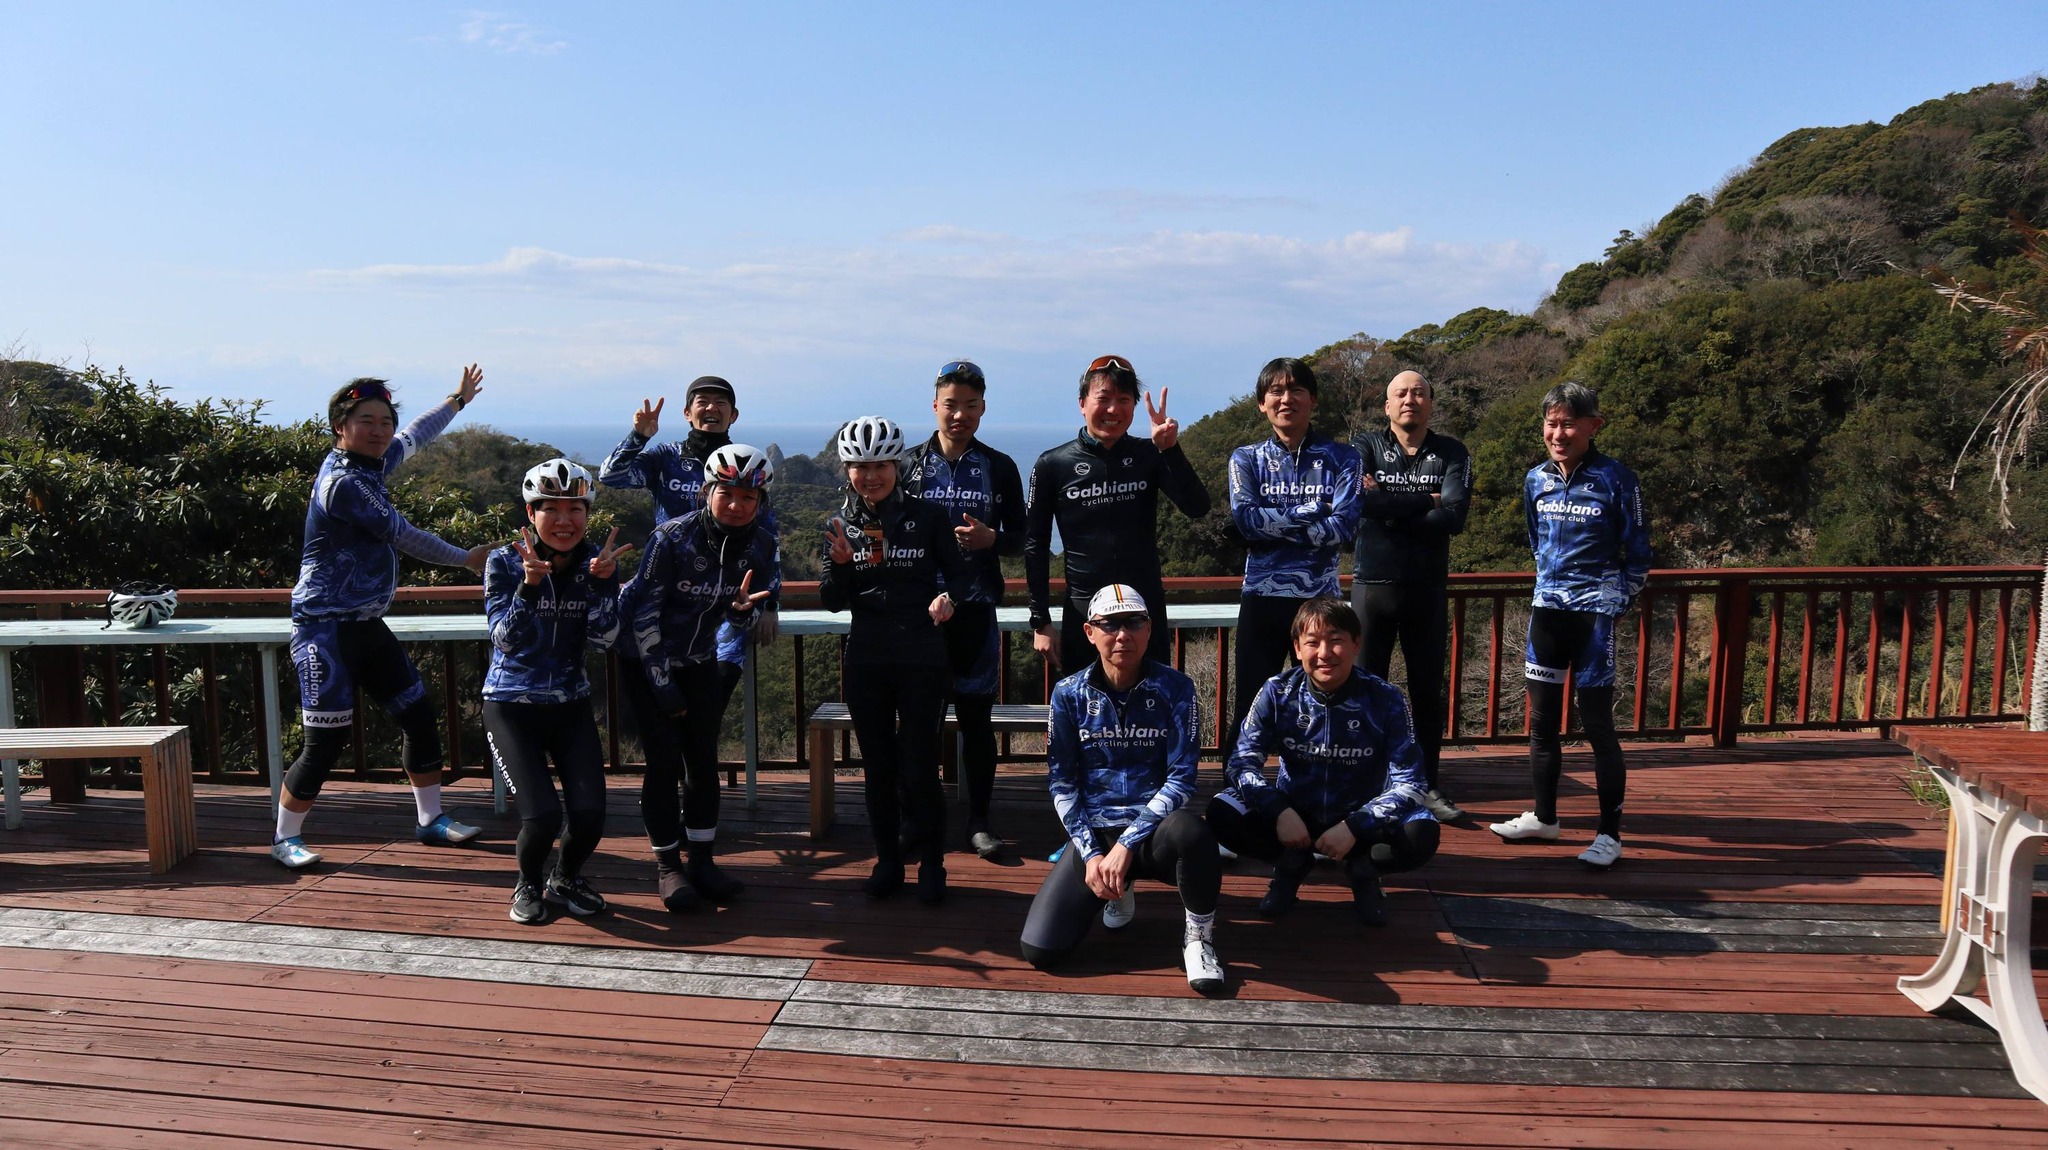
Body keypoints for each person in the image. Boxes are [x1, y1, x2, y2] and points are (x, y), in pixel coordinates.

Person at [272, 368, 494, 869]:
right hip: (324, 629)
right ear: (340, 426)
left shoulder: (371, 462)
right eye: (365, 421)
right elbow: (403, 534)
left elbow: (416, 434)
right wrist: (466, 558)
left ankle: (430, 819)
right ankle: (284, 838)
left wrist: (457, 401)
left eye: (384, 422)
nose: (379, 431)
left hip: (365, 624)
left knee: (418, 715)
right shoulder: (345, 483)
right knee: (325, 741)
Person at [1019, 585, 1225, 995]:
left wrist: (1127, 844)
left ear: (1149, 629)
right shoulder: (1068, 694)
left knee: (1194, 834)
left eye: (1134, 622)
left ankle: (1199, 939)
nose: (1122, 634)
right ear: (1089, 632)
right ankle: (1119, 887)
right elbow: (1062, 782)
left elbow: (1182, 778)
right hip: (1097, 836)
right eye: (1109, 625)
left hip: (1155, 834)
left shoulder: (1177, 688)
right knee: (1039, 950)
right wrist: (1091, 852)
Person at [1488, 381, 1652, 869]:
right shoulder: (1535, 479)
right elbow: (1535, 541)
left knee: (1598, 725)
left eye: (1569, 424)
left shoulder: (1617, 479)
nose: (1558, 434)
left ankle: (1609, 835)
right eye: (1551, 424)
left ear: (1593, 426)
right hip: (1547, 612)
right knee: (1541, 723)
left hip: (1594, 618)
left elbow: (1638, 550)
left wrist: (1617, 600)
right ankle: (1544, 818)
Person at [1207, 597, 1439, 926]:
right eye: (1313, 642)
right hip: (1295, 814)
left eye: (1336, 640)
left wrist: (1356, 824)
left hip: (1362, 817)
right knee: (1221, 810)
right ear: (1297, 648)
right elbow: (1241, 763)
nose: (1325, 653)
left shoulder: (1385, 698)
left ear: (1356, 644)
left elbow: (1412, 781)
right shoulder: (1277, 692)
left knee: (1422, 831)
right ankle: (1290, 863)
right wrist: (1278, 810)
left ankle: (1364, 871)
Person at [820, 416, 973, 903]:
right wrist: (841, 568)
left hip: (922, 656)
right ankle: (887, 861)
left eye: (881, 465)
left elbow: (961, 577)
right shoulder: (840, 525)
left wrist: (948, 597)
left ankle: (933, 864)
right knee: (878, 767)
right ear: (847, 470)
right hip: (867, 657)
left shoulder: (928, 517)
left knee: (920, 766)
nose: (871, 476)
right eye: (860, 466)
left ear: (898, 466)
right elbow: (831, 601)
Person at [624, 444, 780, 912]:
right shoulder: (671, 537)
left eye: (748, 497)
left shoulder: (761, 544)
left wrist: (742, 612)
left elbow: (739, 615)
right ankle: (668, 866)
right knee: (663, 763)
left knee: (703, 762)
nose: (736, 505)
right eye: (726, 494)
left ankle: (703, 862)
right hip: (647, 659)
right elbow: (643, 614)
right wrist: (662, 684)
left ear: (760, 502)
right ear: (706, 493)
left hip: (700, 659)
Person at [482, 459, 634, 924]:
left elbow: (603, 640)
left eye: (575, 509)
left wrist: (603, 588)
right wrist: (529, 586)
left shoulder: (597, 564)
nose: (564, 520)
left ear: (588, 514)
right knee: (543, 815)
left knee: (589, 812)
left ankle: (565, 877)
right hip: (510, 704)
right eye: (551, 509)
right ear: (532, 514)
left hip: (570, 703)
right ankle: (527, 882)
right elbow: (504, 639)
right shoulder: (504, 561)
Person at [901, 360, 1028, 859]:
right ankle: (918, 818)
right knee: (919, 723)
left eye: (970, 406)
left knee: (976, 723)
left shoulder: (1000, 466)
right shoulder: (908, 465)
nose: (960, 415)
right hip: (919, 614)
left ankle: (979, 821)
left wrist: (991, 539)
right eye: (951, 405)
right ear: (935, 405)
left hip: (975, 610)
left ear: (983, 409)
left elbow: (1024, 538)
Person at [598, 376, 778, 709]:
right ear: (686, 412)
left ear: (733, 415)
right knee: (661, 704)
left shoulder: (741, 465)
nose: (712, 408)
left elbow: (768, 539)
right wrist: (639, 437)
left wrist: (770, 604)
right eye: (702, 401)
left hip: (723, 596)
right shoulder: (666, 457)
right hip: (666, 594)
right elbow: (611, 475)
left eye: (721, 403)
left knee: (712, 698)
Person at [1025, 354, 1211, 677]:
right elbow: (1035, 544)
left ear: (1134, 407)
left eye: (1124, 400)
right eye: (1103, 399)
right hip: (1085, 613)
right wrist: (1040, 621)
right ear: (1082, 403)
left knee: (1152, 703)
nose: (1113, 409)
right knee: (1084, 705)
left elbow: (1198, 507)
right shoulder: (1052, 464)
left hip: (1143, 611)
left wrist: (1170, 451)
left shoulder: (1150, 455)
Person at [1353, 370, 1471, 822]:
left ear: (1431, 403)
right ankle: (1368, 785)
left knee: (1426, 693)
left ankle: (1426, 786)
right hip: (1372, 586)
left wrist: (1389, 506)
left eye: (1419, 393)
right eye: (1400, 394)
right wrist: (1427, 500)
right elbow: (1361, 503)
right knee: (1366, 692)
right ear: (1387, 405)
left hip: (1426, 588)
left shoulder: (1452, 451)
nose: (1410, 400)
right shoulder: (1364, 445)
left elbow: (1454, 517)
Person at [1227, 357, 1361, 740]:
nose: (1286, 399)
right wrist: (1311, 510)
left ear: (1312, 399)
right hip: (1262, 597)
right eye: (1276, 391)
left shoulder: (1344, 458)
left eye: (1296, 390)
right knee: (1251, 706)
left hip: (1321, 602)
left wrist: (1272, 526)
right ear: (1262, 403)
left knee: (1324, 703)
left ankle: (1317, 775)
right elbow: (1246, 520)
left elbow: (1344, 527)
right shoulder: (1246, 458)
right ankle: (1240, 776)